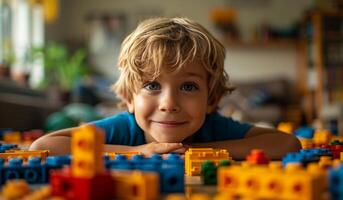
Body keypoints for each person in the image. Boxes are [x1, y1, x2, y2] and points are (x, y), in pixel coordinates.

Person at [30, 17, 301, 160]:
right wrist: (135, 152)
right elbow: (45, 145)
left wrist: (204, 151)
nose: (168, 103)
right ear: (129, 98)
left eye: (188, 86)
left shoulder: (211, 128)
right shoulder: (124, 129)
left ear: (211, 99)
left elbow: (287, 143)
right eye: (151, 85)